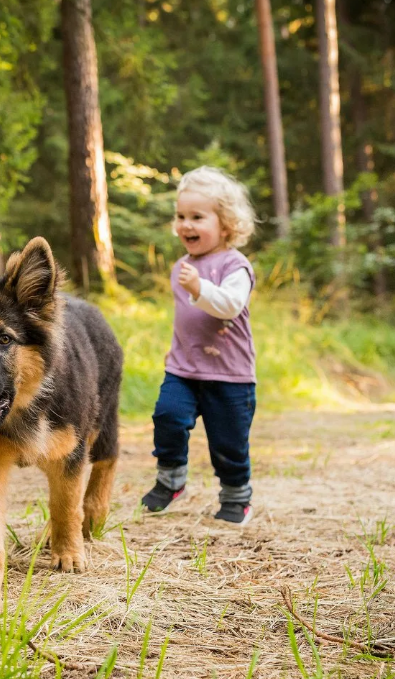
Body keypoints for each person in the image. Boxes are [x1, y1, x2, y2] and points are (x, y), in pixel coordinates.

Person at [140, 166, 258, 525]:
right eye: (180, 216)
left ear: (226, 225)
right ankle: (170, 479)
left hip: (230, 373)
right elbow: (186, 318)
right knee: (168, 416)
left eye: (197, 217)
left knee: (228, 443)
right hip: (184, 368)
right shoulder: (182, 267)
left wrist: (199, 289)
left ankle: (237, 496)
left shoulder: (235, 265)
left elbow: (229, 306)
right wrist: (176, 349)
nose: (186, 225)